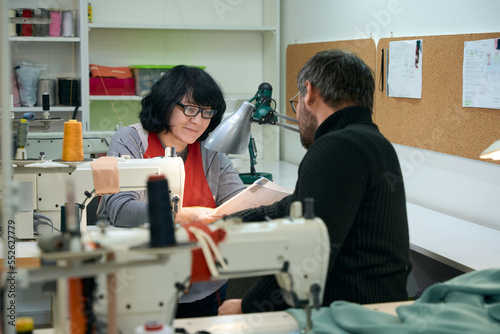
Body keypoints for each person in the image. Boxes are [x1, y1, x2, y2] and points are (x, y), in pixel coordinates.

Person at [213, 49, 413, 315]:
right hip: (375, 310)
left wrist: (247, 307)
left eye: (296, 103)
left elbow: (308, 254)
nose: (297, 114)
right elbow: (293, 206)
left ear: (309, 92)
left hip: (350, 318)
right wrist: (220, 222)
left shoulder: (336, 147)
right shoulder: (374, 143)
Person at [96, 65, 246, 318]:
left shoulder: (211, 152)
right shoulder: (130, 141)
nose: (198, 120)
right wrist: (180, 215)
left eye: (206, 112)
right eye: (189, 108)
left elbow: (239, 204)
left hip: (202, 283)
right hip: (140, 280)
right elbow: (120, 210)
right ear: (166, 103)